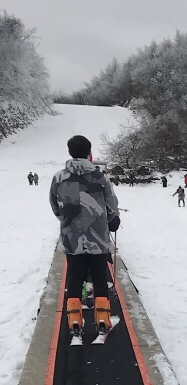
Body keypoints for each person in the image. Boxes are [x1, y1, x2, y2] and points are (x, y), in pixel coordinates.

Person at [49, 134, 120, 341]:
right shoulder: (100, 177)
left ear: (70, 152)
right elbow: (112, 204)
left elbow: (54, 205)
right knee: (99, 276)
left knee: (74, 276)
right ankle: (102, 319)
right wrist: (109, 219)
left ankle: (74, 321)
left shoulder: (59, 177)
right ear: (89, 152)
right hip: (97, 237)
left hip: (72, 237)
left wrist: (67, 222)